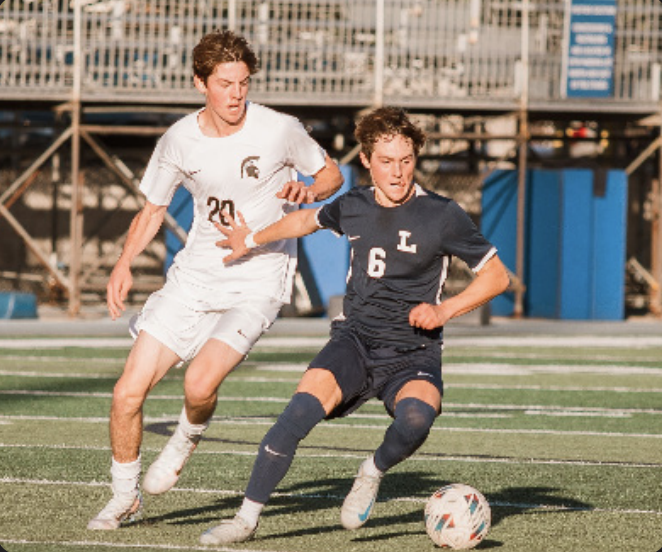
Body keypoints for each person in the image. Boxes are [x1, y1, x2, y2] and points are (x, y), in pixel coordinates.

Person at [200, 106, 510, 544]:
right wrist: (248, 240)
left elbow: (498, 277)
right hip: (355, 341)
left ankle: (371, 471)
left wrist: (443, 311)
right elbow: (306, 220)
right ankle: (245, 520)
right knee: (300, 411)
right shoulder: (355, 204)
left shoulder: (442, 214)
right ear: (366, 160)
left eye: (406, 161)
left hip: (413, 351)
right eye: (386, 161)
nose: (397, 173)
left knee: (418, 417)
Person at [87, 29, 343, 531]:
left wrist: (309, 187)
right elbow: (152, 209)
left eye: (243, 83)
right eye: (226, 83)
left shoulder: (278, 128)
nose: (237, 94)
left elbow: (331, 173)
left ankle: (186, 435)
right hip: (194, 278)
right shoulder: (178, 139)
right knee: (125, 394)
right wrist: (122, 263)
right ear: (200, 82)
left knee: (199, 383)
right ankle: (124, 497)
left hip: (258, 279)